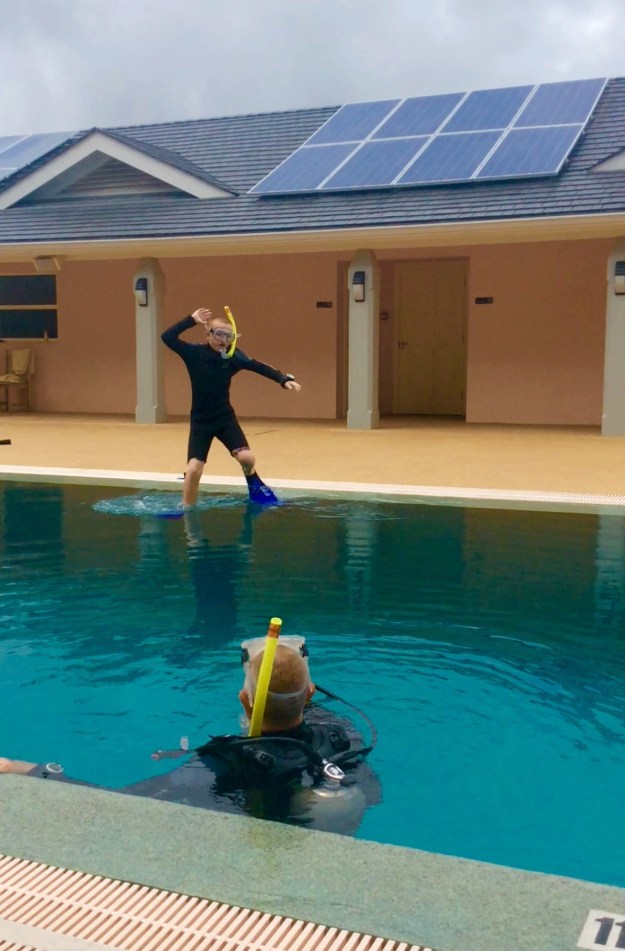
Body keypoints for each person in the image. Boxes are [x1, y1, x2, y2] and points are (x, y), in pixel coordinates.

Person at [0, 638, 380, 835]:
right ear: (310, 694)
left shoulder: (218, 765)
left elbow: (116, 806)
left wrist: (23, 769)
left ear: (244, 700)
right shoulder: (342, 737)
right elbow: (373, 794)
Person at [161, 308, 301, 507]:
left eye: (229, 336)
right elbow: (167, 337)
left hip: (225, 418)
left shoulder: (233, 357)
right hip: (201, 422)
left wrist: (283, 379)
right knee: (193, 470)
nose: (223, 340)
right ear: (208, 335)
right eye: (218, 334)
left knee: (247, 458)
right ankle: (186, 509)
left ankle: (252, 479)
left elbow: (258, 366)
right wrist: (191, 320)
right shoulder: (194, 353)